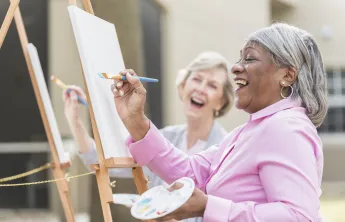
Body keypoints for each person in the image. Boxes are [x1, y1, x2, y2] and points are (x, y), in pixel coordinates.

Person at [112, 22, 328, 222]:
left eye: (250, 59)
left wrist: (208, 207)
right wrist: (136, 121)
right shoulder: (248, 132)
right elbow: (191, 172)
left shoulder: (285, 128)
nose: (235, 67)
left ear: (288, 75)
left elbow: (299, 217)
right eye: (240, 59)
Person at [63, 52, 235, 221]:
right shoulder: (162, 138)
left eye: (212, 85)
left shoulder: (227, 149)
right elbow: (104, 161)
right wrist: (75, 120)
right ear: (183, 87)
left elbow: (225, 212)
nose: (201, 89)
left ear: (222, 101)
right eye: (197, 79)